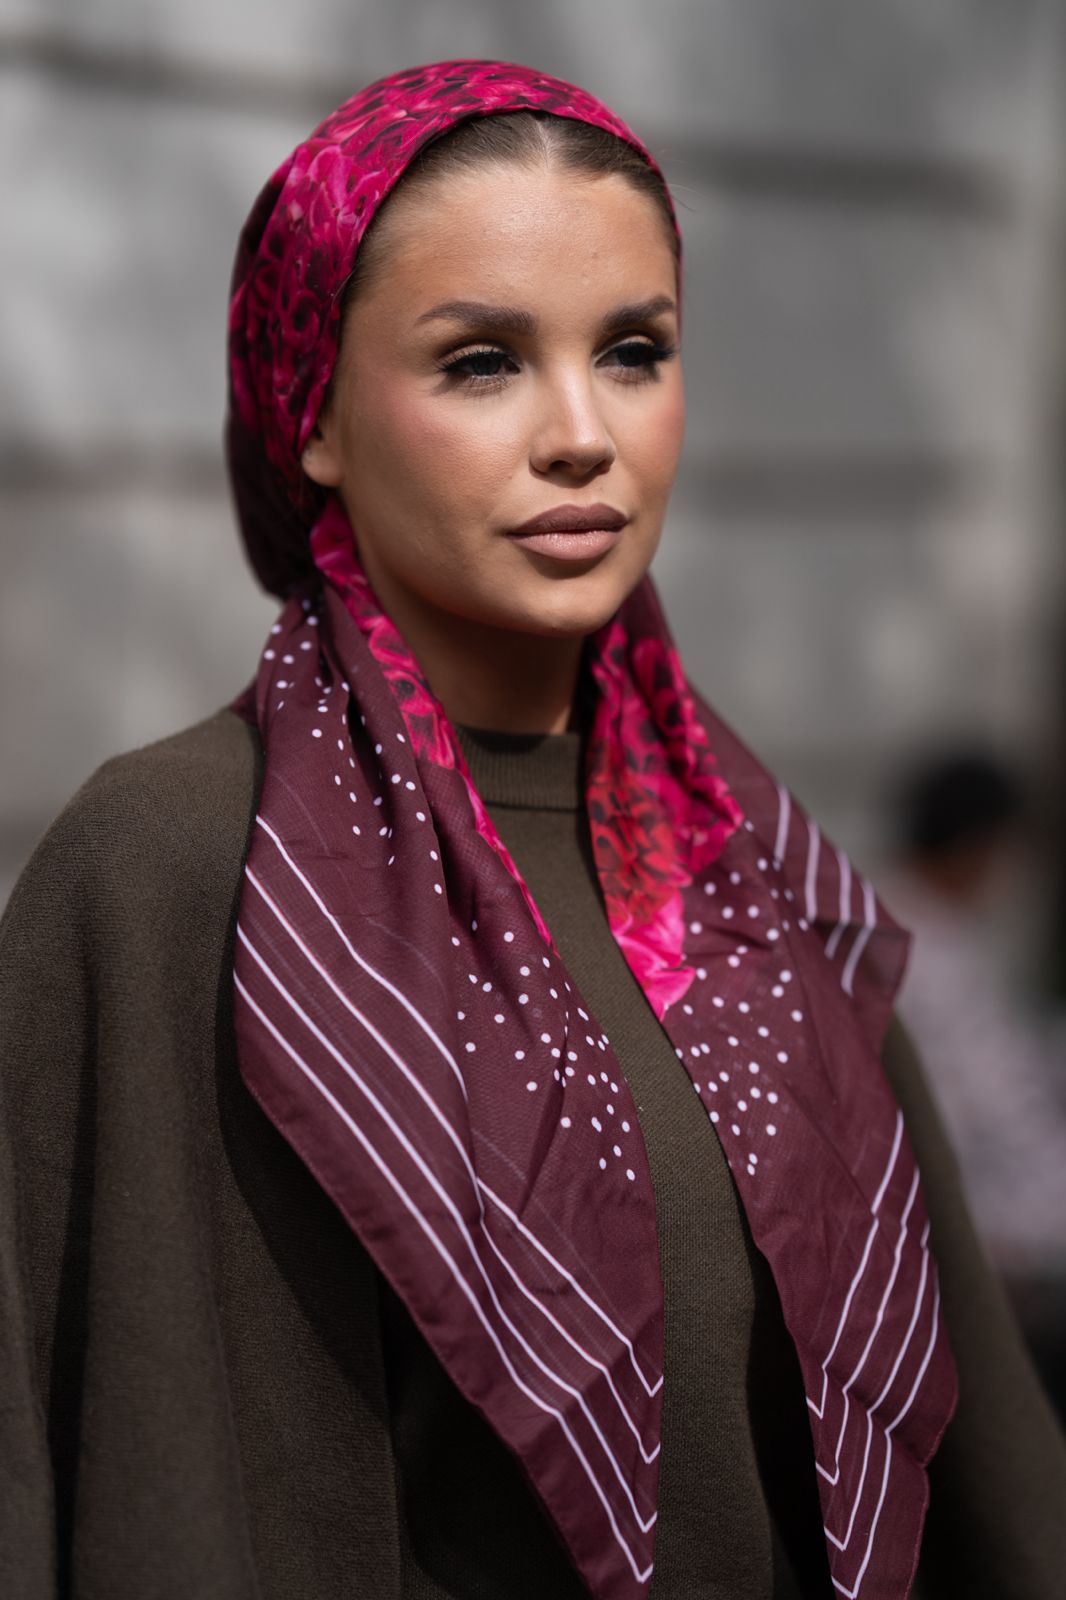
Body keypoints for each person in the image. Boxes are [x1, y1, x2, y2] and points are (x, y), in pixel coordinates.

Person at [1, 59, 1064, 1600]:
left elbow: (978, 1464)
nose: (583, 433)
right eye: (482, 362)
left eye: (633, 350)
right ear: (313, 413)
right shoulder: (182, 866)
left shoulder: (746, 873)